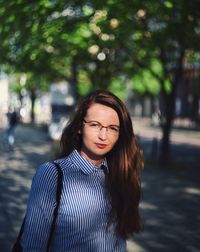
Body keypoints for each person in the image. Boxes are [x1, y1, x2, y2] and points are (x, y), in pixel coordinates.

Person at [20, 90, 143, 251]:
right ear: (79, 126)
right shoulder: (52, 174)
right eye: (95, 125)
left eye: (112, 128)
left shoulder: (119, 175)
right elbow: (32, 247)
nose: (103, 136)